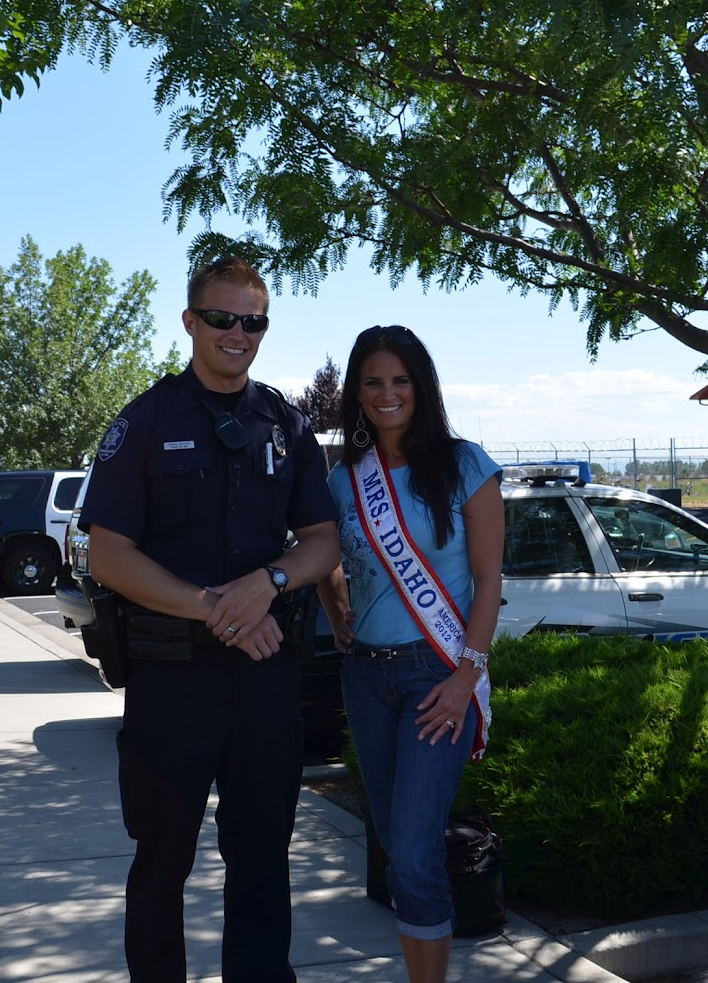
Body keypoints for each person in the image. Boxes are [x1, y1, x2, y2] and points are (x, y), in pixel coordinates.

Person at [81, 255, 339, 983]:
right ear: (191, 321)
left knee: (262, 861)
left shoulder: (286, 426)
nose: (238, 333)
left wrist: (269, 581)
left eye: (252, 320)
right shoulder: (145, 421)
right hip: (172, 685)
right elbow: (109, 554)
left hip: (262, 684)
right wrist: (217, 609)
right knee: (162, 864)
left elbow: (323, 542)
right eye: (222, 318)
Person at [316, 324, 503, 983]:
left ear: (421, 387)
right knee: (397, 846)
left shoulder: (467, 466)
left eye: (400, 381)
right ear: (357, 394)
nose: (387, 394)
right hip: (366, 677)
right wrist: (339, 614)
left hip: (436, 673)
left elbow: (489, 581)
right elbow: (326, 561)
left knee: (418, 850)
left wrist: (465, 676)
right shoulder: (345, 482)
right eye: (373, 382)